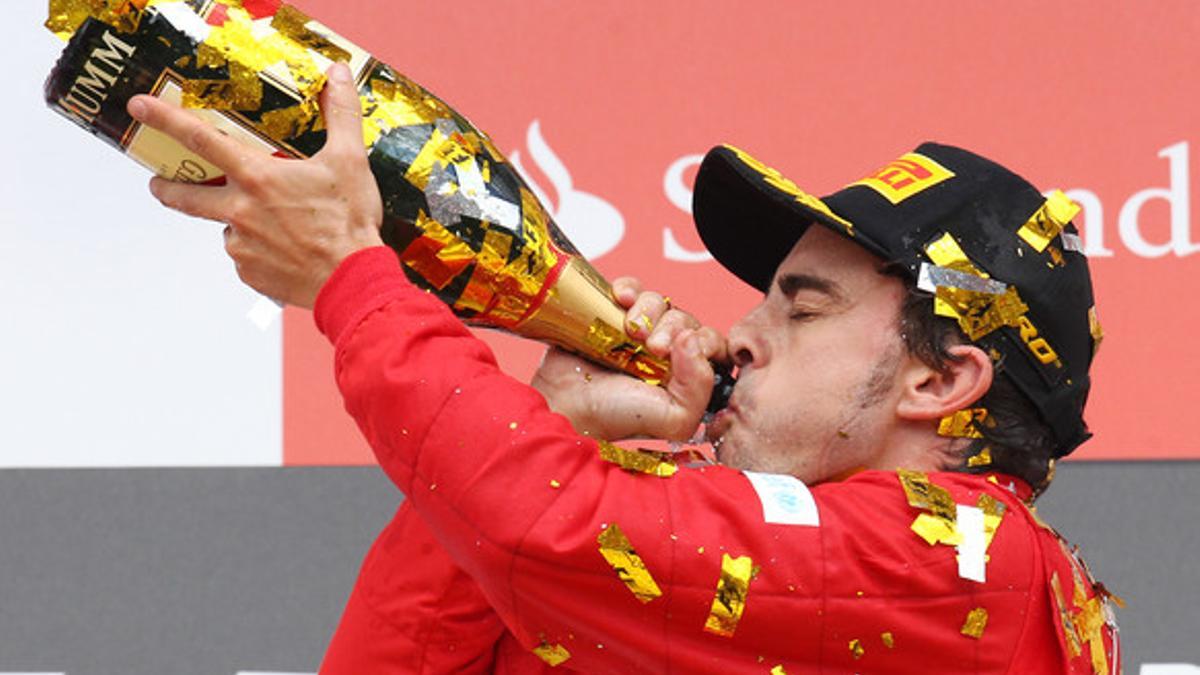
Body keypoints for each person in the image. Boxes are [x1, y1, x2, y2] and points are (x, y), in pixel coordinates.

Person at [127, 63, 1122, 673]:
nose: (739, 336)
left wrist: (356, 278)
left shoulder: (971, 566)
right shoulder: (773, 597)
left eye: (803, 305)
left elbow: (543, 530)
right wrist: (556, 423)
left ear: (940, 383)